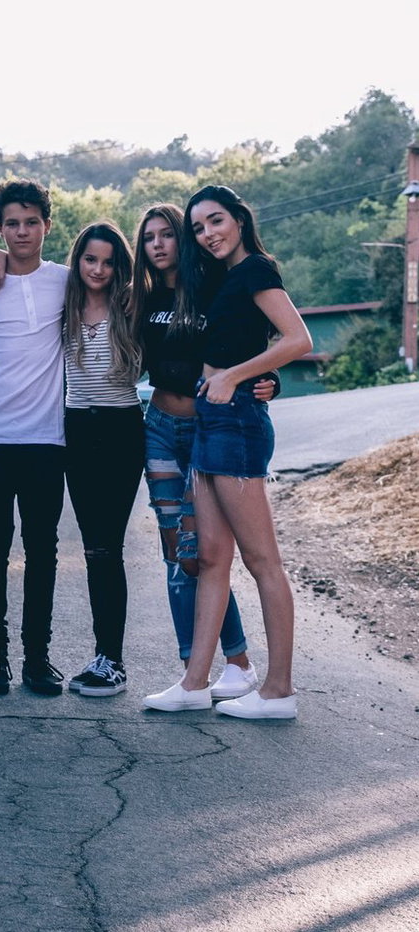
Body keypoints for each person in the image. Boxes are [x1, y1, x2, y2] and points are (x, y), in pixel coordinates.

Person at [144, 185, 311, 720]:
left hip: (236, 419)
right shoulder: (220, 277)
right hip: (211, 418)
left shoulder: (256, 269)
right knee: (213, 558)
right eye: (198, 228)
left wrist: (237, 376)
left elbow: (297, 339)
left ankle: (279, 691)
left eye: (216, 221)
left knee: (263, 561)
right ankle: (194, 683)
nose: (208, 234)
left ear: (239, 218)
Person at [131, 203, 275, 700]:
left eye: (167, 234)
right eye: (148, 237)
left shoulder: (212, 286)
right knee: (177, 553)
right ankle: (194, 673)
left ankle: (236, 664)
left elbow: (250, 336)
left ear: (183, 240)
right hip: (158, 426)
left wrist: (268, 378)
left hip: (206, 429)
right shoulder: (141, 297)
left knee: (201, 555)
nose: (158, 244)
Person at [0, 179, 69, 696]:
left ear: (47, 225)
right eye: (11, 224)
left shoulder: (66, 282)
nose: (22, 232)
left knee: (43, 551)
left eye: (31, 222)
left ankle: (37, 659)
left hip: (46, 439)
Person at [61, 221, 145, 697]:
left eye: (108, 262)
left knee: (109, 546)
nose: (98, 269)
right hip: (76, 429)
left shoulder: (133, 304)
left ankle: (112, 660)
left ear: (120, 267)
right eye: (90, 259)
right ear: (78, 261)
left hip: (121, 430)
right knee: (94, 547)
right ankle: (103, 656)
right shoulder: (63, 305)